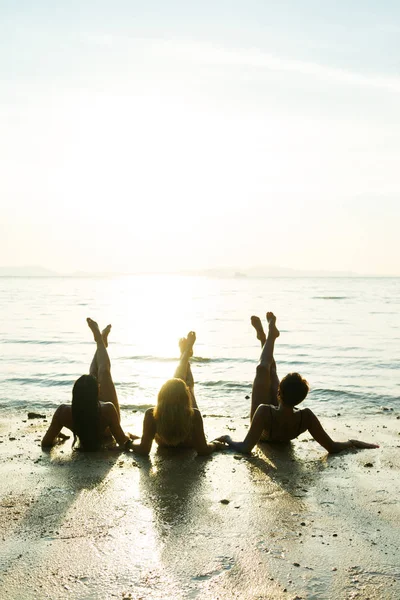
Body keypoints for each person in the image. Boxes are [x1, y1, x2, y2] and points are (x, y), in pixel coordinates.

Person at [217, 312, 379, 455]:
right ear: (301, 398)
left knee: (263, 370)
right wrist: (354, 443)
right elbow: (333, 447)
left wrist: (227, 439)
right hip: (274, 418)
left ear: (278, 393)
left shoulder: (264, 411)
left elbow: (245, 447)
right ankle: (265, 339)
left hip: (266, 422)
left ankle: (268, 338)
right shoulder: (306, 416)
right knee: (269, 372)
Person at [126, 331, 224, 456]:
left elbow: (143, 449)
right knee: (187, 385)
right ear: (185, 398)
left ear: (161, 395)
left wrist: (128, 442)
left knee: (179, 382)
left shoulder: (152, 414)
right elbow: (203, 450)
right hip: (188, 444)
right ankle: (185, 354)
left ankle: (185, 355)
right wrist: (215, 444)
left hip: (164, 443)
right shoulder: (193, 415)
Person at [42, 318, 132, 451]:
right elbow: (122, 441)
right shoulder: (107, 410)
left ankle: (101, 342)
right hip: (107, 429)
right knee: (104, 372)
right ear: (98, 393)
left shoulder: (63, 412)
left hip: (92, 412)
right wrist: (131, 439)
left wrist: (57, 438)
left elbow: (46, 443)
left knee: (94, 375)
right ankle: (100, 341)